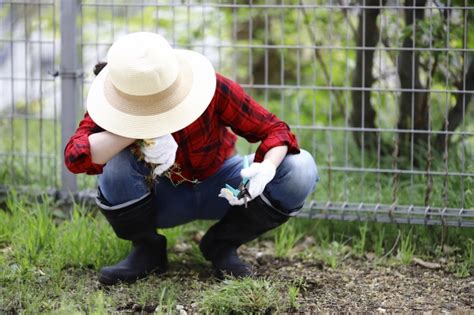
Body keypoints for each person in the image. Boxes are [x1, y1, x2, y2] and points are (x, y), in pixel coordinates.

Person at [65, 32, 319, 285]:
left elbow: (275, 130)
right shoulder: (112, 106)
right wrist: (134, 130)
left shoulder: (209, 87)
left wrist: (266, 169)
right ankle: (147, 249)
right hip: (159, 196)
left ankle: (222, 243)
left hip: (224, 187)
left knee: (301, 166)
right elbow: (76, 156)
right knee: (116, 162)